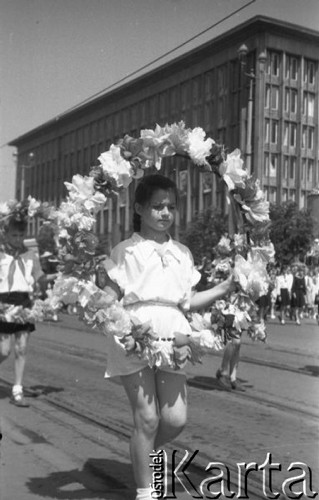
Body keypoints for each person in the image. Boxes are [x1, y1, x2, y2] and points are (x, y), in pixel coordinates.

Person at [99, 174, 234, 500]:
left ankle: (140, 453)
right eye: (157, 206)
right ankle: (145, 491)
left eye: (170, 206)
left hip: (173, 338)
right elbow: (108, 296)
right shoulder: (125, 250)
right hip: (134, 335)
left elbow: (186, 301)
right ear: (139, 208)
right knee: (147, 418)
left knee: (174, 420)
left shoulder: (182, 252)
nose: (165, 212)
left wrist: (222, 288)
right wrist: (113, 314)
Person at [0, 216, 55, 407]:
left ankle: (17, 390)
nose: (17, 238)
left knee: (21, 348)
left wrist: (62, 274)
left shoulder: (31, 255)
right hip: (3, 303)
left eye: (21, 234)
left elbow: (40, 277)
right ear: (5, 235)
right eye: (13, 234)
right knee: (4, 350)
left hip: (24, 302)